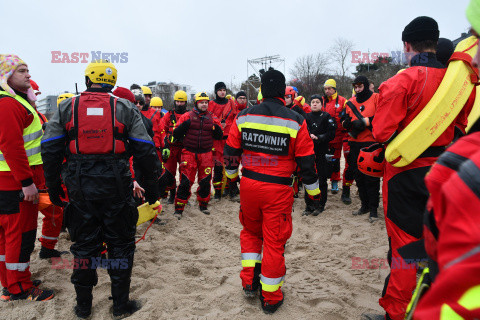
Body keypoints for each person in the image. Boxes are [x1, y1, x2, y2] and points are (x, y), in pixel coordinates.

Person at [369, 17, 473, 320]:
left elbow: (381, 133)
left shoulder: (401, 81)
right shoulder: (460, 83)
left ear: (407, 45)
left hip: (404, 175)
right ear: (435, 40)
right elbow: (461, 127)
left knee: (403, 250)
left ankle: (397, 314)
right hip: (447, 172)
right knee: (435, 245)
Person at [41, 60, 160, 319]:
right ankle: (120, 305)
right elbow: (146, 152)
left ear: (87, 81)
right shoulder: (125, 107)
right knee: (121, 245)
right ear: (112, 83)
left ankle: (83, 306)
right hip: (116, 187)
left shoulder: (66, 107)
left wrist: (53, 187)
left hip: (80, 188)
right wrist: (152, 191)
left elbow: (49, 150)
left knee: (84, 246)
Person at [224, 69, 320, 314]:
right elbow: (307, 162)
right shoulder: (295, 120)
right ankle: (271, 297)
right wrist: (314, 194)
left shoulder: (243, 117)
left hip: (249, 186)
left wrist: (232, 180)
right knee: (274, 242)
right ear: (282, 91)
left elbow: (231, 153)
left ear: (261, 90)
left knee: (251, 233)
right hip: (277, 190)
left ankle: (249, 282)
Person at [0, 54, 55, 302]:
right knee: (20, 236)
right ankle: (19, 288)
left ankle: (10, 283)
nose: (28, 75)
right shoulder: (9, 104)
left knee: (7, 237)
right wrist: (26, 182)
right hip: (15, 183)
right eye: (21, 71)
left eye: (28, 70)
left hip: (8, 182)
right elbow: (12, 146)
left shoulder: (13, 102)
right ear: (6, 75)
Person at [171, 92, 223, 219]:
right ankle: (179, 208)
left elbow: (219, 136)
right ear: (196, 103)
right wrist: (183, 127)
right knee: (185, 181)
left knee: (205, 181)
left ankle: (203, 204)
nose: (204, 104)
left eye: (206, 102)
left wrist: (217, 129)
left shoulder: (213, 117)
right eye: (201, 102)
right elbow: (175, 133)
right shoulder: (186, 116)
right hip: (189, 153)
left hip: (206, 154)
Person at [343, 75, 381, 223]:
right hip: (354, 143)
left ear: (365, 85)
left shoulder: (377, 98)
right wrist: (346, 123)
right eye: (355, 87)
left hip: (371, 144)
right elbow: (344, 119)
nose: (358, 89)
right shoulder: (350, 102)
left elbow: (383, 117)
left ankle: (373, 210)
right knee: (358, 176)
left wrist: (366, 122)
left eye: (360, 86)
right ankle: (364, 206)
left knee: (371, 178)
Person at [303, 94, 336, 215]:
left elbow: (332, 133)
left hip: (322, 151)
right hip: (309, 152)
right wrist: (308, 136)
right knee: (309, 178)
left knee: (321, 179)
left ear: (321, 104)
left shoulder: (327, 117)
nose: (315, 104)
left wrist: (319, 137)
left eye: (317, 102)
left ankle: (321, 204)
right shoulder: (306, 117)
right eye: (312, 102)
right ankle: (309, 205)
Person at [321, 79, 353, 203]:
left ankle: (335, 181)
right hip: (324, 136)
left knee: (335, 160)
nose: (327, 91)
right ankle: (323, 181)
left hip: (338, 136)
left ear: (334, 89)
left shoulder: (343, 101)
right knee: (323, 160)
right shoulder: (321, 101)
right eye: (325, 89)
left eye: (329, 88)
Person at [158, 90, 189, 204]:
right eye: (178, 101)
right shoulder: (168, 115)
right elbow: (162, 130)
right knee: (169, 172)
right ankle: (171, 194)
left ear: (186, 102)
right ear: (174, 101)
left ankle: (183, 195)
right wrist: (168, 138)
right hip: (171, 148)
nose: (180, 104)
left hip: (184, 149)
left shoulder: (189, 115)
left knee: (185, 173)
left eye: (182, 102)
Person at [208, 82, 236, 200]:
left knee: (231, 164)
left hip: (229, 139)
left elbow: (235, 117)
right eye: (220, 90)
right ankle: (218, 192)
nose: (222, 92)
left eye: (224, 90)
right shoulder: (211, 104)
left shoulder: (231, 103)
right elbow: (208, 118)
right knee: (218, 166)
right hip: (217, 139)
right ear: (216, 91)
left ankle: (231, 190)